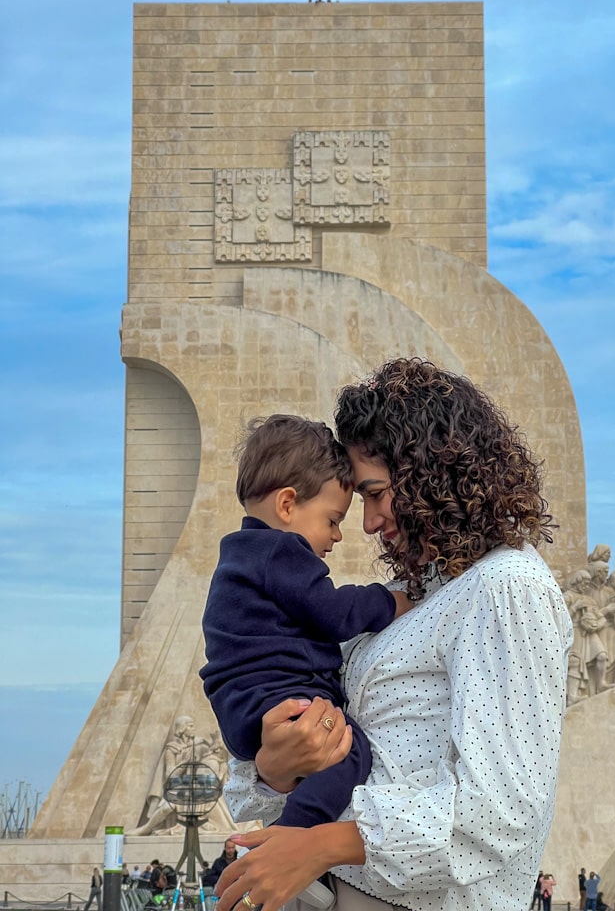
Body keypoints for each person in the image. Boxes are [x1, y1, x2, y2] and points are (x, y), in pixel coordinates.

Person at [215, 359, 573, 911]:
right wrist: (273, 769)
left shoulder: (507, 586)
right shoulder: (420, 595)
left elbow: (502, 814)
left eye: (377, 493)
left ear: (435, 473)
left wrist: (317, 847)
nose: (367, 522)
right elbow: (308, 774)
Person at [201, 414, 412, 828]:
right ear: (287, 504)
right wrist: (389, 601)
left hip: (244, 711)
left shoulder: (239, 558)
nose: (338, 536)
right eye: (332, 520)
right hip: (278, 698)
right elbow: (334, 613)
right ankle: (294, 835)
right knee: (351, 750)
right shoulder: (279, 553)